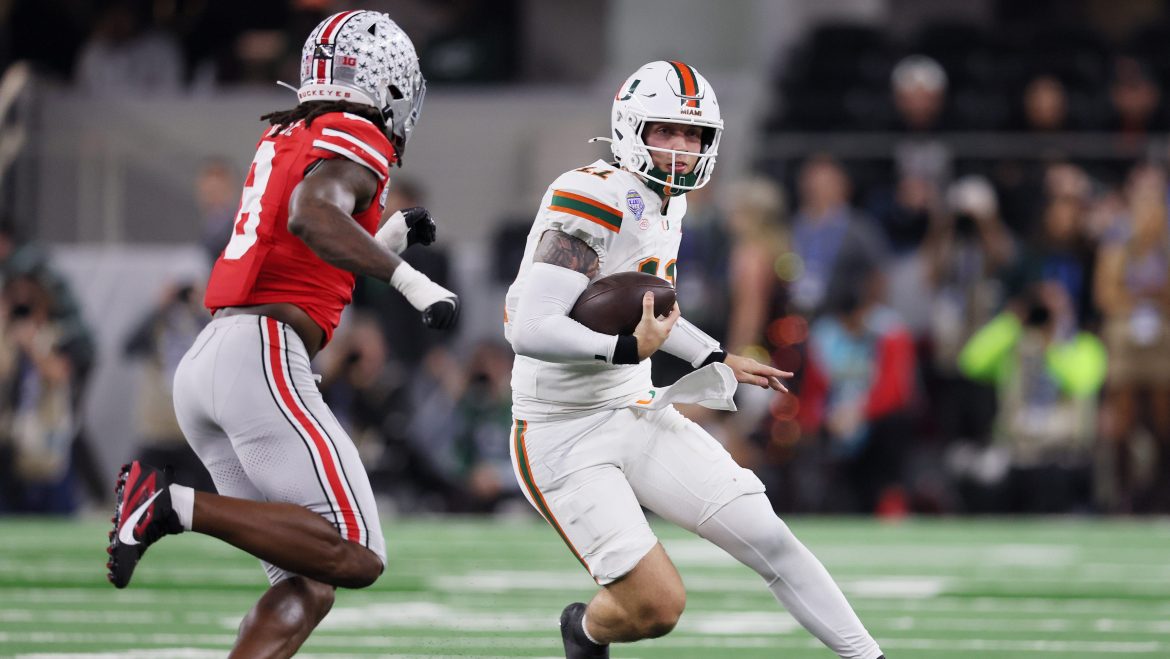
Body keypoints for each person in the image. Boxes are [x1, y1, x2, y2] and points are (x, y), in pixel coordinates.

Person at [104, 11, 458, 659]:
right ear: (388, 85)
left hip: (216, 358)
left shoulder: (291, 131)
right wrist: (414, 283)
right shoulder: (356, 130)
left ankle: (174, 507)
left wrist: (391, 236)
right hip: (261, 355)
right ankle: (169, 503)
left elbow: (310, 258)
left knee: (309, 580)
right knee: (356, 550)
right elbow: (312, 215)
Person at [503, 60, 884, 659]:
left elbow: (652, 310)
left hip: (633, 406)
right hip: (561, 430)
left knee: (769, 537)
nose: (681, 147)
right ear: (631, 129)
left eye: (693, 134)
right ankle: (585, 630)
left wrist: (717, 355)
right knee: (657, 608)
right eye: (666, 131)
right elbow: (529, 327)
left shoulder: (668, 202)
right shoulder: (592, 196)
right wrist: (625, 349)